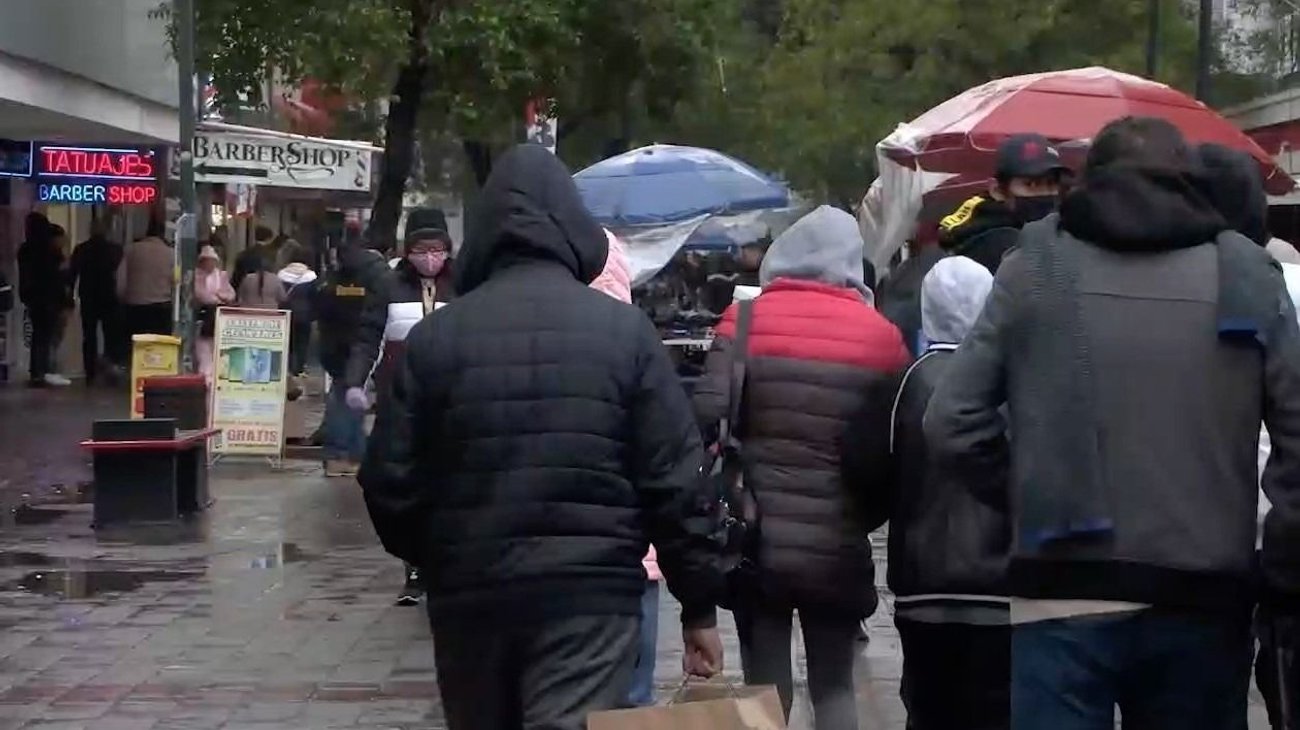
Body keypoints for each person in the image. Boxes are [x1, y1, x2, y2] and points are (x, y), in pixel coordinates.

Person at [924, 116, 1300, 729]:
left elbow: (950, 421)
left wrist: (1029, 490)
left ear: (1088, 181)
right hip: (1203, 591)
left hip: (1059, 585)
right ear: (1188, 182)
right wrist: (1279, 550)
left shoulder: (1036, 266)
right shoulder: (1247, 274)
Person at [358, 144, 724, 730]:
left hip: (472, 597)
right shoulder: (625, 335)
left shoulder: (436, 341)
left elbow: (388, 480)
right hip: (591, 599)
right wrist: (698, 605)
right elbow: (676, 483)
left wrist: (441, 554)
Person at [694, 205, 909, 730]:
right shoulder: (881, 337)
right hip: (838, 543)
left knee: (765, 689)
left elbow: (706, 413)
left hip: (755, 540)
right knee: (834, 685)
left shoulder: (743, 321)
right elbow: (894, 442)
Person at [880, 256, 1008, 730]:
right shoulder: (1011, 379)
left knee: (930, 711)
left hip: (923, 583)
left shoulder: (906, 384)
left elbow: (874, 473)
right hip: (1002, 586)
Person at [344, 221, 456, 603]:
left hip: (450, 402)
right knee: (400, 482)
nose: (430, 258)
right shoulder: (389, 287)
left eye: (437, 250)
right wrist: (356, 382)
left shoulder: (463, 287)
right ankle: (413, 564)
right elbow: (369, 338)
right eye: (421, 251)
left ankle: (443, 561)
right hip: (401, 404)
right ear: (408, 253)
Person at [588, 229, 663, 708]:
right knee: (632, 699)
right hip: (633, 557)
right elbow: (669, 469)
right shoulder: (637, 348)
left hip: (541, 562)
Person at [938, 133, 1069, 274]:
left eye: (1051, 184)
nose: (1044, 193)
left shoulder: (980, 223)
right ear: (996, 190)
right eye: (1031, 184)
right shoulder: (1003, 244)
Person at [314, 244, 387, 477]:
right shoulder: (375, 282)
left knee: (345, 399)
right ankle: (341, 454)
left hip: (333, 347)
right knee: (348, 401)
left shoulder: (332, 282)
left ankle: (351, 453)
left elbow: (320, 311)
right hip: (357, 349)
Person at [68, 217, 123, 384]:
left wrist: (70, 294)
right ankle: (110, 368)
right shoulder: (115, 250)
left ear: (90, 231)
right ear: (106, 231)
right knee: (111, 335)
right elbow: (120, 273)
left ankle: (90, 371)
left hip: (88, 296)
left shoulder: (81, 249)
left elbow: (72, 274)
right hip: (109, 296)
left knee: (89, 336)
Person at [18, 213, 70, 387]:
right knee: (47, 336)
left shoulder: (25, 250)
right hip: (50, 297)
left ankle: (37, 372)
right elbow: (60, 275)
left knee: (38, 335)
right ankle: (46, 371)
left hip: (33, 297)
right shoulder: (50, 251)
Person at [116, 219, 174, 338]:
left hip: (135, 308)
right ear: (163, 234)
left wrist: (123, 299)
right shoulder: (170, 254)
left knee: (135, 344)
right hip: (161, 309)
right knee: (159, 345)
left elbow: (121, 280)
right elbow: (175, 281)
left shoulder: (130, 250)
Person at [194, 245, 235, 383]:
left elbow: (230, 294)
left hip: (218, 314)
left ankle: (217, 374)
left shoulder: (221, 275)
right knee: (203, 346)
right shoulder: (197, 275)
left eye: (212, 261)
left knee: (217, 345)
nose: (210, 264)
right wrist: (217, 298)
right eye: (207, 261)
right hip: (203, 315)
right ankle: (205, 374)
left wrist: (221, 297)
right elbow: (200, 294)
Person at [277, 256, 318, 377]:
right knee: (302, 342)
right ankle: (300, 368)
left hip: (286, 312)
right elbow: (314, 297)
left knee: (288, 341)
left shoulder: (281, 275)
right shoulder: (311, 277)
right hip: (304, 313)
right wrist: (314, 314)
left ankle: (288, 367)